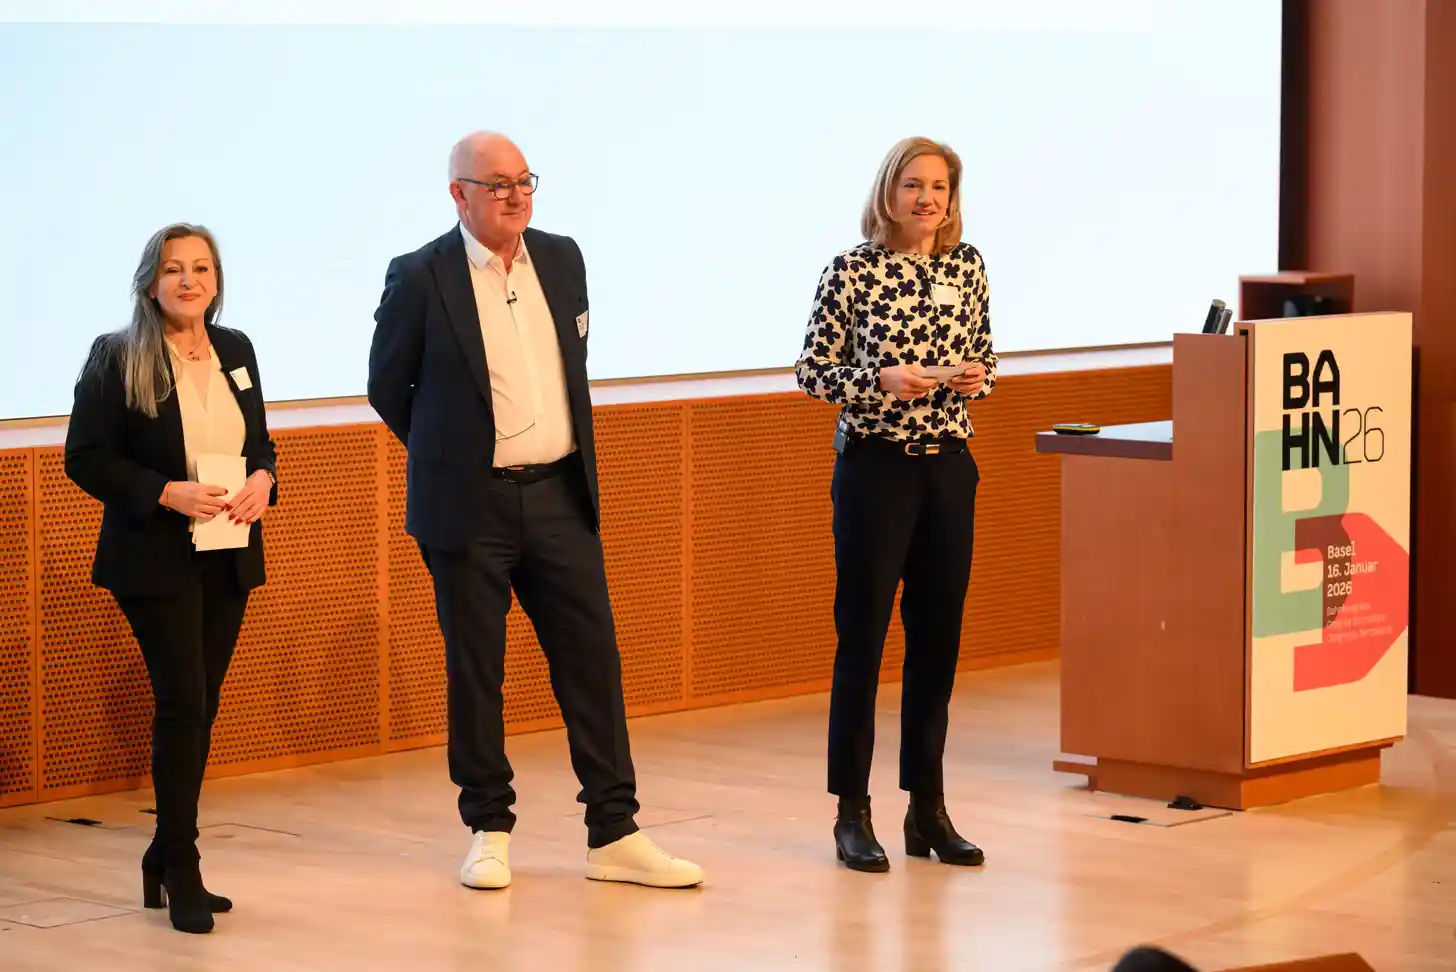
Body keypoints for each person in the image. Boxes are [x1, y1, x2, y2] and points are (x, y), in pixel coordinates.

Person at [367, 130, 703, 890]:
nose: (516, 196)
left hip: (559, 494)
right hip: (469, 507)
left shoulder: (561, 257)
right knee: (477, 669)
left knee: (592, 660)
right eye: (498, 185)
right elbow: (388, 386)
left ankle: (614, 831)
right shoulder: (421, 274)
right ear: (459, 195)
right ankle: (488, 826)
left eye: (525, 181)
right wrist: (453, 456)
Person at [64, 224, 278, 933]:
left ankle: (163, 851)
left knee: (201, 707)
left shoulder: (236, 349)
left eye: (202, 268)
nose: (189, 280)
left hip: (228, 548)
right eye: (174, 269)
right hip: (154, 556)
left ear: (217, 280)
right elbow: (84, 456)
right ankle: (181, 861)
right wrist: (164, 492)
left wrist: (263, 481)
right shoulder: (118, 354)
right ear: (150, 283)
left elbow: (260, 443)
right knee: (184, 704)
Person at [794, 136, 996, 873]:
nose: (927, 199)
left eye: (939, 186)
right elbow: (811, 370)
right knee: (864, 640)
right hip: (877, 472)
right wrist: (878, 380)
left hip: (949, 468)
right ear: (889, 192)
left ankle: (927, 809)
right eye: (913, 185)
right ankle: (852, 811)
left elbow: (988, 356)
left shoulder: (967, 266)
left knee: (937, 644)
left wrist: (975, 378)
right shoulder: (852, 270)